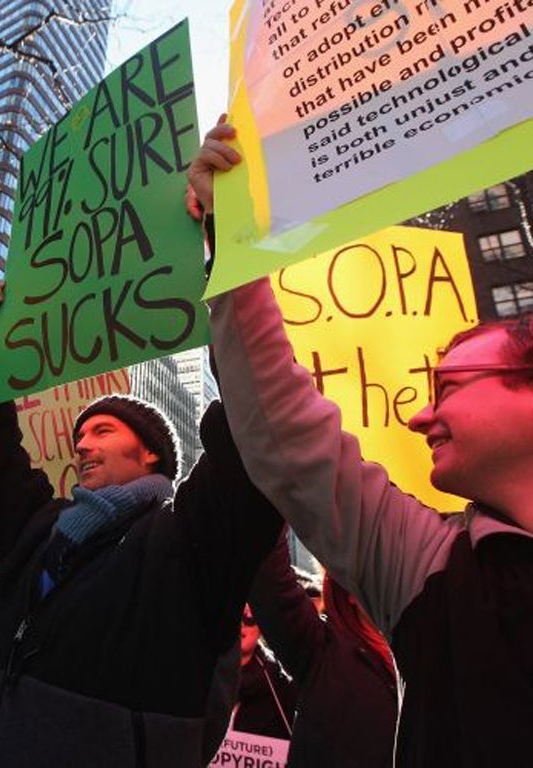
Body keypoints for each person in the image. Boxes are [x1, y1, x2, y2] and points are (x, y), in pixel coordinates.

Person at [188, 117, 533, 765]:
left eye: (450, 385)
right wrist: (229, 232)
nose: (420, 416)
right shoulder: (429, 569)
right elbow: (286, 431)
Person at [0, 283, 285, 767]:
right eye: (79, 435)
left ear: (150, 453)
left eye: (102, 431)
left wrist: (223, 278)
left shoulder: (185, 545)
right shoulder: (43, 526)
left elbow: (247, 435)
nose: (82, 445)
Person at [249, 532, 397, 767]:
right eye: (377, 572)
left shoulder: (430, 657)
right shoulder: (320, 650)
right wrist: (278, 497)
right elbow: (268, 574)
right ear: (349, 590)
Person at [228, 604, 297, 742]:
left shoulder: (280, 684)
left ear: (262, 626)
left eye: (249, 617)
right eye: (234, 615)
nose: (241, 624)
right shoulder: (199, 673)